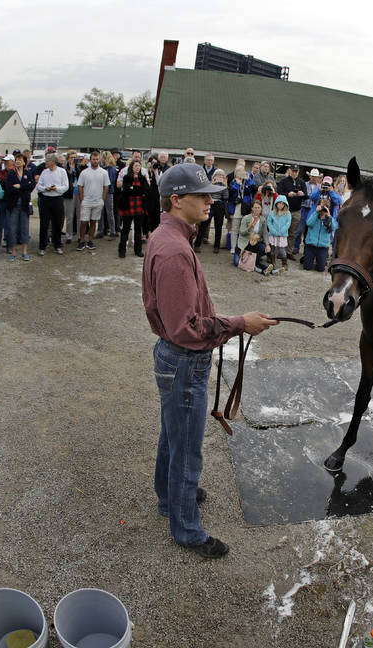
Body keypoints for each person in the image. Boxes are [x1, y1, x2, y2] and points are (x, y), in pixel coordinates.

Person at [142, 162, 277, 559]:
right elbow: (186, 328)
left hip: (177, 358)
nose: (209, 201)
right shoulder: (174, 250)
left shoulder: (169, 237)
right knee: (186, 448)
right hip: (184, 360)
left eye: (209, 195)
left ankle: (170, 498)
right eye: (201, 195)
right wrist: (241, 323)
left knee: (174, 433)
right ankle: (186, 530)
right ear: (176, 199)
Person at [115, 159, 150, 259]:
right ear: (132, 167)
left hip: (139, 207)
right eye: (135, 166)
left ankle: (138, 250)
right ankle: (122, 251)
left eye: (139, 166)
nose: (137, 168)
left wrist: (134, 189)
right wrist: (137, 190)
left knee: (138, 230)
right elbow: (125, 190)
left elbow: (146, 190)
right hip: (128, 206)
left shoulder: (143, 178)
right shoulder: (126, 178)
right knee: (125, 229)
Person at [76, 151, 111, 251]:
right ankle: (82, 240)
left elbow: (106, 186)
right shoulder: (84, 172)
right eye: (93, 159)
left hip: (98, 201)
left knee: (93, 222)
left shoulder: (104, 173)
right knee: (83, 222)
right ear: (90, 160)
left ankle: (90, 240)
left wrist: (102, 199)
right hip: (86, 201)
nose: (95, 161)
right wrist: (82, 199)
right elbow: (80, 186)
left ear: (99, 160)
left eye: (97, 159)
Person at [36, 153, 68, 255]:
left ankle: (57, 245)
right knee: (44, 224)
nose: (45, 162)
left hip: (57, 199)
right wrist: (45, 188)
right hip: (46, 199)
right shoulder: (44, 172)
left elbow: (66, 186)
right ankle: (42, 246)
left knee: (57, 224)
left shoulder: (62, 171)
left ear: (53, 162)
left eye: (47, 161)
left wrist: (56, 189)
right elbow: (38, 186)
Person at [276, 164, 307, 259]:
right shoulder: (283, 181)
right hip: (285, 210)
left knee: (293, 232)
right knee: (282, 231)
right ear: (290, 171)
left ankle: (289, 252)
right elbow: (279, 193)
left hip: (297, 210)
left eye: (296, 171)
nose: (294, 173)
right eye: (293, 171)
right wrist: (287, 194)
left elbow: (306, 196)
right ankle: (280, 251)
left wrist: (302, 194)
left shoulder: (301, 182)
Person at [303, 200, 337, 271]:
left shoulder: (329, 219)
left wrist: (329, 215)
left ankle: (319, 260)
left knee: (321, 269)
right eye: (321, 206)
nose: (323, 209)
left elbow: (334, 227)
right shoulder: (314, 215)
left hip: (323, 247)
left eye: (325, 207)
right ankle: (307, 258)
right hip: (310, 245)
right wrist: (316, 212)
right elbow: (308, 223)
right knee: (307, 267)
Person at [236, 201, 268, 265]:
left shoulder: (263, 219)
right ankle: (252, 259)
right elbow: (242, 233)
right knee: (236, 262)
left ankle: (254, 259)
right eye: (255, 207)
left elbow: (265, 233)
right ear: (252, 208)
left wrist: (267, 245)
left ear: (261, 208)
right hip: (245, 242)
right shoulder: (245, 218)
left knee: (264, 248)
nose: (257, 209)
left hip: (255, 242)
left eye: (259, 207)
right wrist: (250, 227)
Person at [266, 195, 291, 272]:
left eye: (282, 203)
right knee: (272, 249)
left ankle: (284, 263)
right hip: (273, 234)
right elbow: (269, 222)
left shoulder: (287, 213)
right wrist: (273, 231)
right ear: (276, 203)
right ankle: (273, 262)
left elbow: (288, 223)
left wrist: (282, 231)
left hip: (282, 235)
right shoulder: (272, 213)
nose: (280, 205)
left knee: (282, 250)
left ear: (285, 204)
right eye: (279, 203)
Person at [209, 169, 229, 254]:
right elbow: (207, 194)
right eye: (218, 175)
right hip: (210, 203)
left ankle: (216, 246)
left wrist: (225, 186)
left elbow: (226, 197)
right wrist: (212, 184)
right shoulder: (210, 183)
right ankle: (198, 244)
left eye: (221, 175)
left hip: (219, 204)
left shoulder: (223, 185)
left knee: (218, 225)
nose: (220, 177)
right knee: (204, 223)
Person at [100, 150, 119, 240]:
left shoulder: (111, 169)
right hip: (101, 192)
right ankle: (101, 230)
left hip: (108, 193)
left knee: (109, 213)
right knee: (100, 212)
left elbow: (110, 182)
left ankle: (112, 231)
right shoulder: (103, 168)